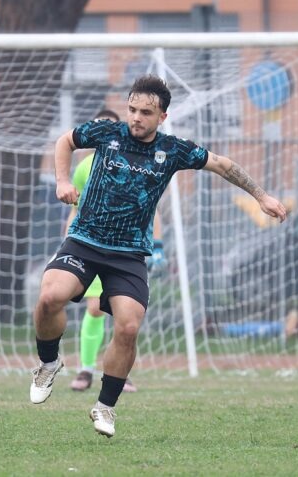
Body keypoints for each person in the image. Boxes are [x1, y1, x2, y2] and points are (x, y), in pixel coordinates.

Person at [29, 75, 287, 438]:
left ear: (162, 117)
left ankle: (105, 407)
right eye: (132, 109)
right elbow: (65, 141)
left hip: (129, 254)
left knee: (128, 327)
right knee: (49, 297)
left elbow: (221, 164)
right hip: (84, 241)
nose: (136, 117)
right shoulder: (107, 133)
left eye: (146, 112)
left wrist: (261, 196)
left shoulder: (173, 150)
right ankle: (48, 362)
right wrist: (61, 180)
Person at [67, 108, 166, 393]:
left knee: (125, 317)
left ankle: (119, 374)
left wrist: (158, 247)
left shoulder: (135, 161)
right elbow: (75, 210)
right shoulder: (84, 168)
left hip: (126, 251)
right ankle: (86, 369)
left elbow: (152, 210)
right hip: (91, 246)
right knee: (95, 309)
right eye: (99, 127)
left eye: (110, 127)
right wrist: (66, 246)